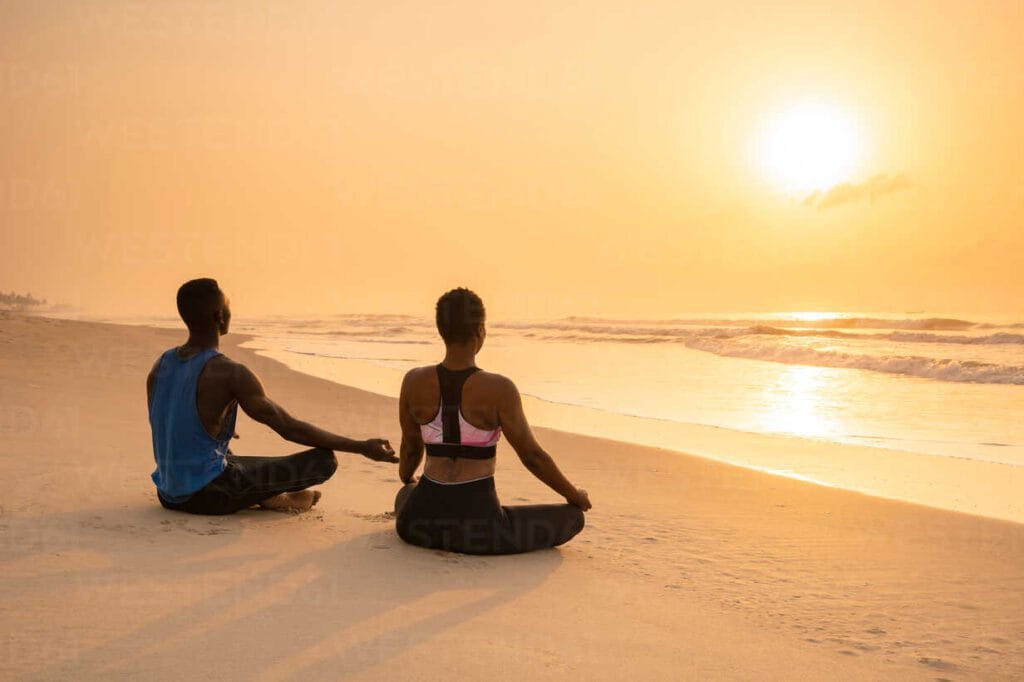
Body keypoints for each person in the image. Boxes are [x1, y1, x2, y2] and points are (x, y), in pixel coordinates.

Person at [147, 278, 397, 515]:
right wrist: (361, 447)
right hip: (210, 495)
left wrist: (215, 423)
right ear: (219, 316)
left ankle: (264, 494)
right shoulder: (230, 372)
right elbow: (289, 428)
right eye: (228, 308)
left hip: (167, 493)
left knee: (224, 451)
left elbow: (170, 423)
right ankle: (274, 496)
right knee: (323, 460)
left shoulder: (161, 364)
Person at [394, 287, 591, 554]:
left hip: (416, 526)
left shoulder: (413, 380)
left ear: (441, 330)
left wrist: (407, 477)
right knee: (573, 518)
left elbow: (410, 447)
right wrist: (574, 495)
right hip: (479, 530)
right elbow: (531, 455)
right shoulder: (499, 389)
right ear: (480, 332)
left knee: (407, 494)